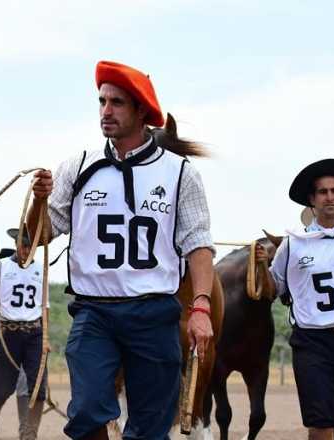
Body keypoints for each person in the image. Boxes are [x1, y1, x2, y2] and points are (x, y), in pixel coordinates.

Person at [26, 60, 215, 439]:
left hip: (154, 313)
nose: (106, 112)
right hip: (94, 312)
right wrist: (38, 202)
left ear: (142, 111)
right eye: (102, 102)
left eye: (117, 103)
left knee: (150, 427)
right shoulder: (77, 166)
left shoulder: (180, 173)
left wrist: (201, 306)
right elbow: (39, 236)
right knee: (88, 415)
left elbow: (197, 245)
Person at [255, 158, 334, 440]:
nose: (329, 197)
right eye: (322, 191)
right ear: (311, 200)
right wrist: (261, 267)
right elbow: (274, 289)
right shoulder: (293, 243)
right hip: (311, 341)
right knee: (320, 422)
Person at [0, 228, 49, 440]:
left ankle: (29, 434)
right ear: (16, 245)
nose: (26, 250)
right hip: (8, 333)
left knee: (38, 387)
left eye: (30, 247)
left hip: (35, 333)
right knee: (0, 389)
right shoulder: (1, 267)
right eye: (23, 246)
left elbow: (44, 306)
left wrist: (46, 337)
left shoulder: (41, 270)